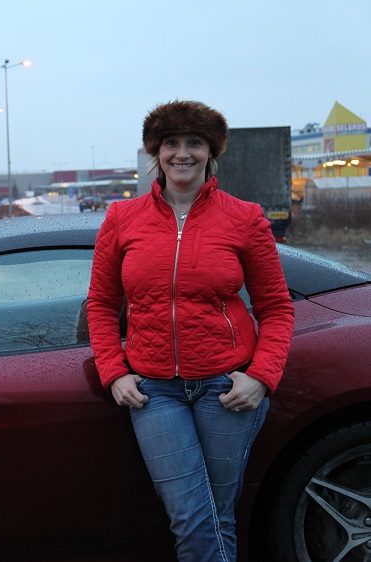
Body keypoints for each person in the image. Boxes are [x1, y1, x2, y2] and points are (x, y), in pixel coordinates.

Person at [86, 100, 295, 561]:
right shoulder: (122, 219)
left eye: (194, 143)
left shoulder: (244, 217)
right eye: (171, 143)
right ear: (156, 153)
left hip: (228, 389)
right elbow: (100, 305)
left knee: (216, 514)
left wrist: (261, 377)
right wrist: (114, 372)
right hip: (154, 391)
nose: (182, 153)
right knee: (192, 517)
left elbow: (277, 308)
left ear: (211, 151)